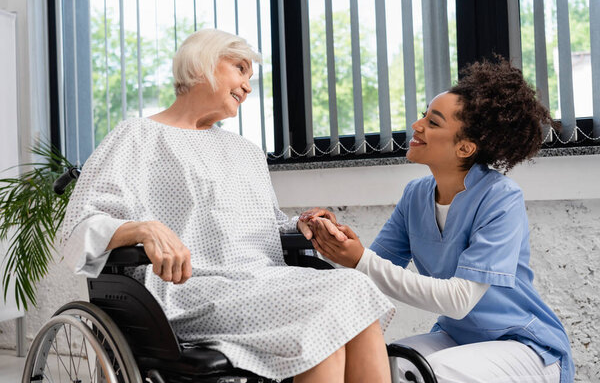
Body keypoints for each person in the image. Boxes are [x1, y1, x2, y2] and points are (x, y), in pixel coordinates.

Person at [60, 29, 395, 383]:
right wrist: (145, 228)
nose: (248, 87)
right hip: (187, 289)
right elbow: (80, 226)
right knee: (330, 304)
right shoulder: (136, 137)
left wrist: (303, 223)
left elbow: (262, 225)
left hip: (261, 281)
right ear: (202, 62)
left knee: (354, 290)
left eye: (250, 77)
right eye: (239, 69)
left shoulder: (245, 150)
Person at [302, 59, 574, 383]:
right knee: (381, 365)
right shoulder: (416, 196)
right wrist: (333, 240)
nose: (417, 125)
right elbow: (369, 276)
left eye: (433, 122)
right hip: (457, 336)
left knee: (416, 374)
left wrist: (361, 259)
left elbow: (458, 300)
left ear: (465, 147)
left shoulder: (500, 198)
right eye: (423, 114)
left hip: (523, 346)